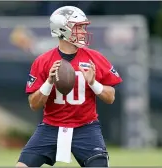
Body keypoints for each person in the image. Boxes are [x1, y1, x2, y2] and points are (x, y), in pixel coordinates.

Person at [16, 6, 123, 167]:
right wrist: (49, 82)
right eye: (78, 27)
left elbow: (110, 97)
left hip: (86, 127)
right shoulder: (43, 61)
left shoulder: (95, 58)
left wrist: (93, 83)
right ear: (62, 29)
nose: (83, 31)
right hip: (51, 127)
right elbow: (34, 104)